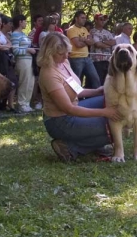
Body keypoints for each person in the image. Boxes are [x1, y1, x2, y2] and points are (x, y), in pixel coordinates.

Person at [38, 32, 120, 162]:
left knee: (108, 102)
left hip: (74, 109)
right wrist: (105, 112)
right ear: (49, 52)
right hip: (59, 121)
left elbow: (76, 90)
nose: (66, 55)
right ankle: (72, 148)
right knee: (113, 124)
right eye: (61, 53)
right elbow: (69, 109)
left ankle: (92, 143)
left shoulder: (64, 62)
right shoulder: (48, 74)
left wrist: (98, 91)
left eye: (67, 51)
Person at [66, 10, 101, 89]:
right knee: (76, 81)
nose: (84, 19)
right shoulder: (71, 29)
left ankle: (97, 97)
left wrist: (83, 40)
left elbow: (92, 42)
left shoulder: (84, 29)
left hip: (87, 58)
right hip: (76, 58)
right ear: (76, 18)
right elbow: (78, 44)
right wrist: (86, 41)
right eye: (82, 18)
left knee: (95, 79)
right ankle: (75, 98)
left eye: (85, 18)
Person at [11, 14, 36, 113]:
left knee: (30, 82)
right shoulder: (15, 34)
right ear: (20, 22)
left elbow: (25, 44)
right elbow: (15, 50)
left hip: (29, 60)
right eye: (25, 21)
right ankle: (21, 104)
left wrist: (30, 37)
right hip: (22, 61)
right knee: (24, 82)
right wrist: (28, 50)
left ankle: (27, 103)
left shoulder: (23, 34)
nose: (26, 23)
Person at [89, 13, 115, 85]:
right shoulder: (92, 32)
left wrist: (103, 42)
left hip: (107, 59)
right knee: (98, 81)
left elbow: (113, 42)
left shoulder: (107, 32)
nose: (103, 21)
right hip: (97, 60)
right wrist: (107, 44)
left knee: (107, 81)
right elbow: (97, 44)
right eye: (101, 19)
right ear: (96, 20)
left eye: (104, 19)